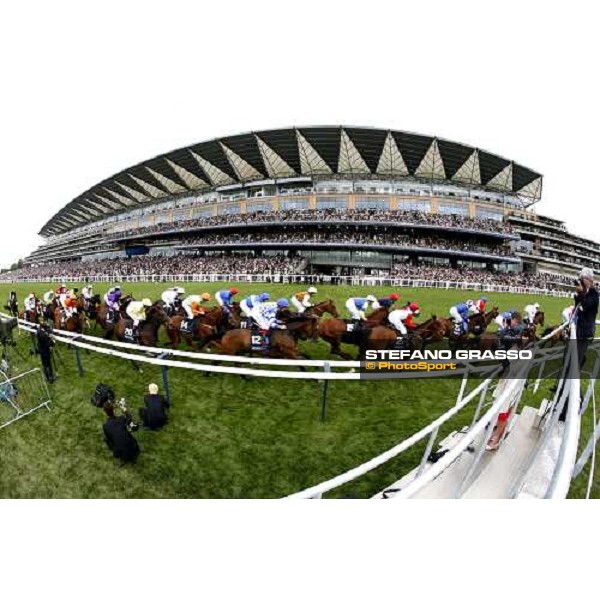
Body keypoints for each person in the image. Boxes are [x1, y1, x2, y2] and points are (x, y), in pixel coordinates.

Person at [559, 267, 599, 421]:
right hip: (576, 333)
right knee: (566, 365)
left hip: (583, 336)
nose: (581, 281)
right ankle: (565, 401)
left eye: (583, 278)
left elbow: (586, 306)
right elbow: (578, 307)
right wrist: (579, 293)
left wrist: (581, 292)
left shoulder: (595, 294)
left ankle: (575, 402)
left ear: (590, 280)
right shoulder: (585, 292)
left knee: (573, 368)